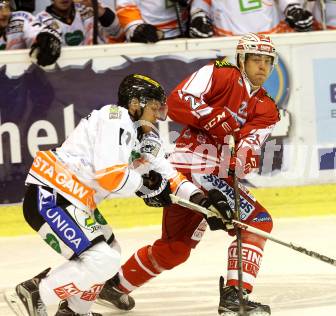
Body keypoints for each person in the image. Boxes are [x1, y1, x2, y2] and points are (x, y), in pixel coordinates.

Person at [12, 73, 232, 316]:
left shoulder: (140, 134)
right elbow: (111, 177)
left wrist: (202, 201)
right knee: (101, 259)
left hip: (73, 201)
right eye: (154, 108)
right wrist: (146, 186)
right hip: (52, 197)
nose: (158, 117)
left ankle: (75, 311)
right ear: (135, 103)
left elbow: (169, 175)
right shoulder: (114, 118)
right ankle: (37, 292)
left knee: (111, 253)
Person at [97, 32, 280, 315]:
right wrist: (210, 116)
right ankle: (235, 296)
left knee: (175, 248)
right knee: (259, 222)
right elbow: (178, 101)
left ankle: (116, 285)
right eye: (256, 59)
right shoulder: (220, 74)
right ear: (242, 59)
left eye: (267, 61)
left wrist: (243, 158)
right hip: (189, 167)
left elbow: (250, 147)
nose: (262, 67)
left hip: (210, 176)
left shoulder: (268, 109)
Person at [188, 0, 311, 38]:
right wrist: (198, 15)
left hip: (270, 39)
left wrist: (293, 7)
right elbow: (202, 2)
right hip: (228, 43)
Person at [0, 0, 61, 66]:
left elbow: (36, 32)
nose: (5, 13)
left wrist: (47, 37)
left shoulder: (20, 18)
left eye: (6, 7)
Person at [36, 0, 122, 46]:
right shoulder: (41, 20)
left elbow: (116, 32)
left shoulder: (89, 8)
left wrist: (95, 7)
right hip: (62, 73)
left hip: (96, 67)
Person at [115, 0, 190, 43]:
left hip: (187, 34)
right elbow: (125, 6)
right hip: (149, 38)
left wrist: (197, 13)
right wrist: (136, 28)